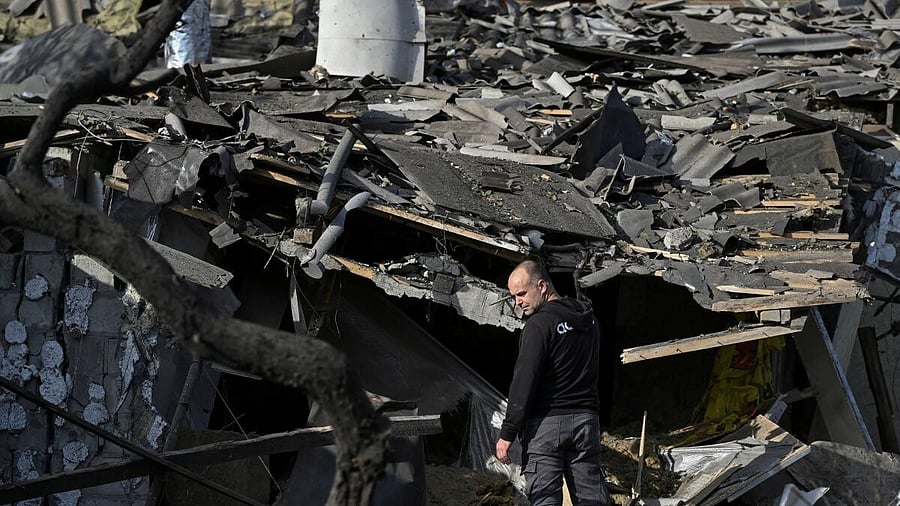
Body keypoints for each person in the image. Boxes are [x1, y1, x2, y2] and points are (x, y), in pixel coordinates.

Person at [495, 259, 611, 506]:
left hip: (546, 427)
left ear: (542, 286)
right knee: (592, 499)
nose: (518, 302)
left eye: (522, 293)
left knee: (545, 499)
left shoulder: (538, 326)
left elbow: (523, 382)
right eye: (514, 296)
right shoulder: (589, 321)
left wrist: (507, 433)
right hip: (585, 423)